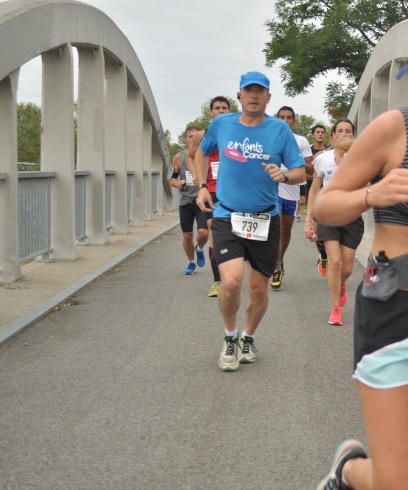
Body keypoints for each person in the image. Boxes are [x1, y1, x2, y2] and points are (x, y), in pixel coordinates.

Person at [314, 108, 408, 490]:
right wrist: (372, 194)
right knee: (395, 482)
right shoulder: (394, 128)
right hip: (395, 311)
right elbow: (325, 205)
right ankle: (347, 472)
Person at [194, 71, 305, 371]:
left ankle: (249, 336)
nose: (254, 95)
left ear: (268, 97)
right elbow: (199, 153)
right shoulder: (222, 124)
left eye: (260, 91)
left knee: (258, 289)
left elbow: (300, 172)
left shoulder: (280, 130)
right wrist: (202, 185)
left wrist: (284, 174)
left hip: (265, 218)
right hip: (227, 215)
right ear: (239, 95)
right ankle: (230, 336)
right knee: (230, 282)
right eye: (249, 90)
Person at [304, 118, 364, 326]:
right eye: (340, 131)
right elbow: (314, 189)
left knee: (346, 268)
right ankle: (335, 309)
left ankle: (340, 285)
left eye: (348, 131)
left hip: (352, 218)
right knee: (335, 263)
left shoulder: (362, 158)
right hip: (328, 215)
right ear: (333, 135)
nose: (344, 134)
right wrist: (309, 219)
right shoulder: (323, 159)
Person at [187, 96, 231, 297]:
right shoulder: (202, 136)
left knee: (233, 235)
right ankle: (217, 281)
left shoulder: (236, 134)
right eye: (217, 108)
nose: (221, 111)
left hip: (232, 189)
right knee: (214, 231)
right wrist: (198, 178)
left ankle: (232, 273)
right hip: (211, 189)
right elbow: (191, 155)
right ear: (211, 112)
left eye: (224, 108)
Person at [270, 106, 313, 289]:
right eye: (282, 117)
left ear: (293, 121)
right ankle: (276, 266)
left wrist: (294, 160)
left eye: (289, 117)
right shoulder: (269, 137)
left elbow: (309, 170)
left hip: (292, 190)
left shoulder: (300, 141)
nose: (286, 120)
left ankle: (280, 260)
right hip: (273, 189)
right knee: (276, 228)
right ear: (277, 119)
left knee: (285, 231)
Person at [168, 126, 209, 275]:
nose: (192, 139)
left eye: (195, 136)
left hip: (202, 200)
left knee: (203, 232)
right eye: (190, 136)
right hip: (186, 200)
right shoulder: (179, 157)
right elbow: (172, 179)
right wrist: (179, 183)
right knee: (187, 235)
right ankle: (191, 263)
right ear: (185, 139)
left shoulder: (207, 155)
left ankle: (199, 248)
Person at [310, 124, 330, 277]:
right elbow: (304, 171)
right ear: (313, 135)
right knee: (316, 228)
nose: (321, 134)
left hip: (326, 194)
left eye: (323, 132)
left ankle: (324, 254)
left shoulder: (329, 152)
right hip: (313, 189)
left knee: (326, 227)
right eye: (318, 132)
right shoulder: (308, 152)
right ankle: (322, 253)